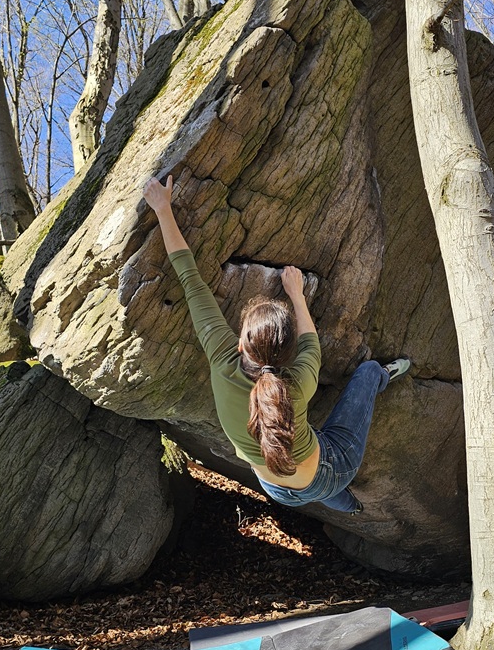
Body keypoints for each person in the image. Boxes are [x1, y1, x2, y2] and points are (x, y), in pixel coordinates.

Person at [141, 174, 410, 514]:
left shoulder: (223, 360)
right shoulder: (299, 379)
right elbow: (310, 338)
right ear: (287, 355)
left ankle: (349, 508)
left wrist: (163, 209)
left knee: (315, 486)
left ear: (241, 343)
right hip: (327, 471)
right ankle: (382, 380)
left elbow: (190, 279)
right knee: (368, 372)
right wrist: (296, 295)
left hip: (274, 488)